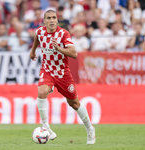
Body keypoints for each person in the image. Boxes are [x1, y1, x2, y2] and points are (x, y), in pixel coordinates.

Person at [29, 9, 96, 144]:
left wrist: (59, 48)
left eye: (54, 17)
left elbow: (74, 53)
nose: (52, 20)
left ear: (57, 20)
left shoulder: (63, 34)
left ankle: (90, 129)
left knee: (74, 103)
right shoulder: (40, 31)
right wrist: (32, 51)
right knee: (41, 92)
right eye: (49, 18)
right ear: (45, 21)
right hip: (47, 70)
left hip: (62, 73)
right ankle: (46, 126)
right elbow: (37, 37)